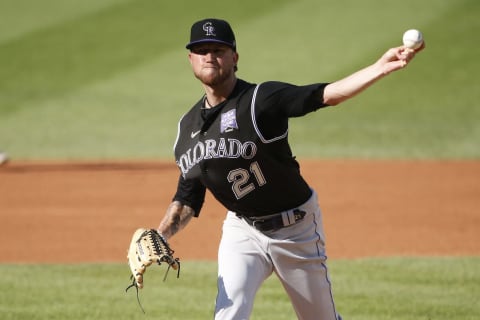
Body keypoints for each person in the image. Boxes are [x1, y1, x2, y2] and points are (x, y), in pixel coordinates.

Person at [156, 18, 424, 320]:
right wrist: (161, 234)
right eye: (201, 50)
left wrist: (380, 67)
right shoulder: (187, 128)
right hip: (242, 231)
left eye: (218, 49)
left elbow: (325, 95)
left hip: (295, 230)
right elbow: (188, 195)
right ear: (190, 58)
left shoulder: (261, 100)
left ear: (235, 57)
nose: (209, 56)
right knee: (228, 314)